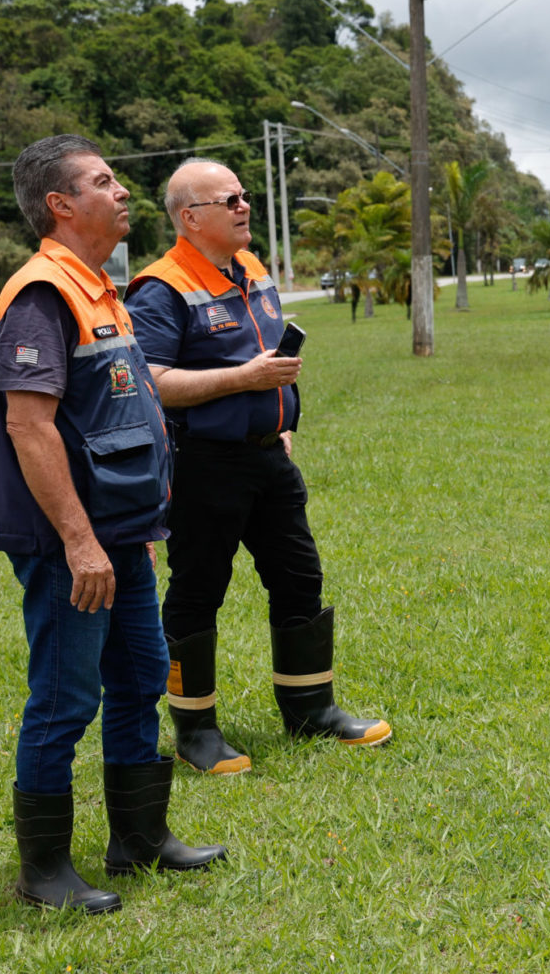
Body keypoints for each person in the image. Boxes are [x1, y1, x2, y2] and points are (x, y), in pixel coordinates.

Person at [0, 135, 226, 914]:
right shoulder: (41, 293)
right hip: (71, 546)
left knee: (138, 680)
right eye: (103, 181)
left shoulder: (99, 285)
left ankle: (139, 839)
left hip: (123, 536)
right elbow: (30, 427)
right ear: (61, 205)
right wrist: (80, 542)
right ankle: (45, 870)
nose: (122, 191)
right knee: (64, 697)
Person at [126, 158, 391, 777]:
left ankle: (311, 709)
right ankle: (196, 731)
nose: (246, 206)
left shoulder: (251, 268)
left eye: (245, 196)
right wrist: (246, 381)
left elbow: (271, 355)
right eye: (231, 199)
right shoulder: (160, 287)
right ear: (191, 218)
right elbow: (154, 383)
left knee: (300, 578)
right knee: (197, 593)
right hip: (203, 466)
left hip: (269, 459)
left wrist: (284, 420)